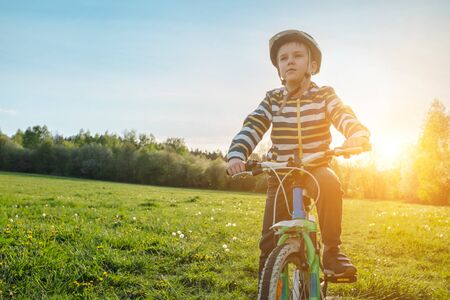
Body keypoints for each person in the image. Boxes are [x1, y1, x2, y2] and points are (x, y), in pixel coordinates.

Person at [226, 30, 370, 283]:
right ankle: (267, 288)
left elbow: (342, 114)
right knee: (270, 241)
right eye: (283, 58)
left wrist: (356, 134)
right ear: (279, 70)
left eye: (297, 56)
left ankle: (332, 254)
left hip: (315, 167)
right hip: (280, 173)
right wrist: (237, 153)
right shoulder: (272, 99)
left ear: (312, 65)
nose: (289, 61)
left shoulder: (324, 95)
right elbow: (254, 124)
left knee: (330, 184)